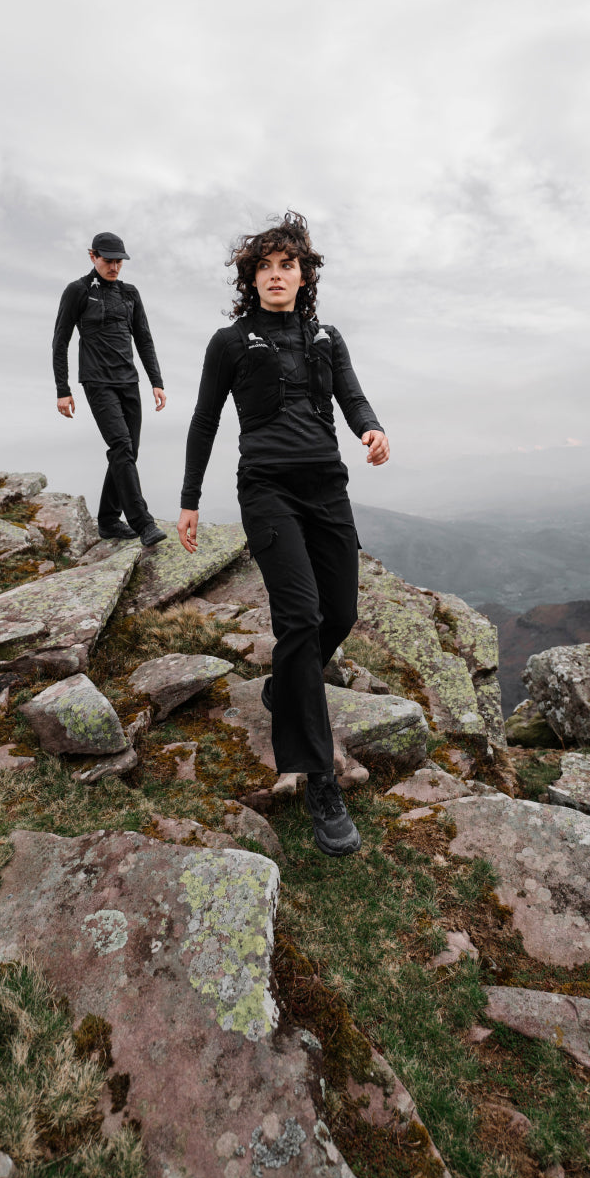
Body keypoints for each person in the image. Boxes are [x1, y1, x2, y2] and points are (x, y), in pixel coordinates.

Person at [177, 212, 389, 856]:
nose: (276, 275)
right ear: (251, 279)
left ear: (303, 275)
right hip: (267, 491)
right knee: (300, 618)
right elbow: (205, 420)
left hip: (327, 487)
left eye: (287, 265)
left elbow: (352, 397)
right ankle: (319, 779)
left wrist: (372, 428)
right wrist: (189, 501)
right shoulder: (230, 342)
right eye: (264, 267)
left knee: (340, 613)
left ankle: (284, 687)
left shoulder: (327, 337)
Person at [53, 231, 167, 548]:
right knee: (121, 446)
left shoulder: (130, 293)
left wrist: (156, 381)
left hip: (129, 381)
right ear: (93, 256)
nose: (114, 267)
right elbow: (60, 341)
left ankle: (107, 520)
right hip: (97, 381)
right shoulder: (77, 291)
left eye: (119, 262)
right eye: (108, 261)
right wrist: (62, 389)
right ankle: (143, 523)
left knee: (127, 452)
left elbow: (144, 339)